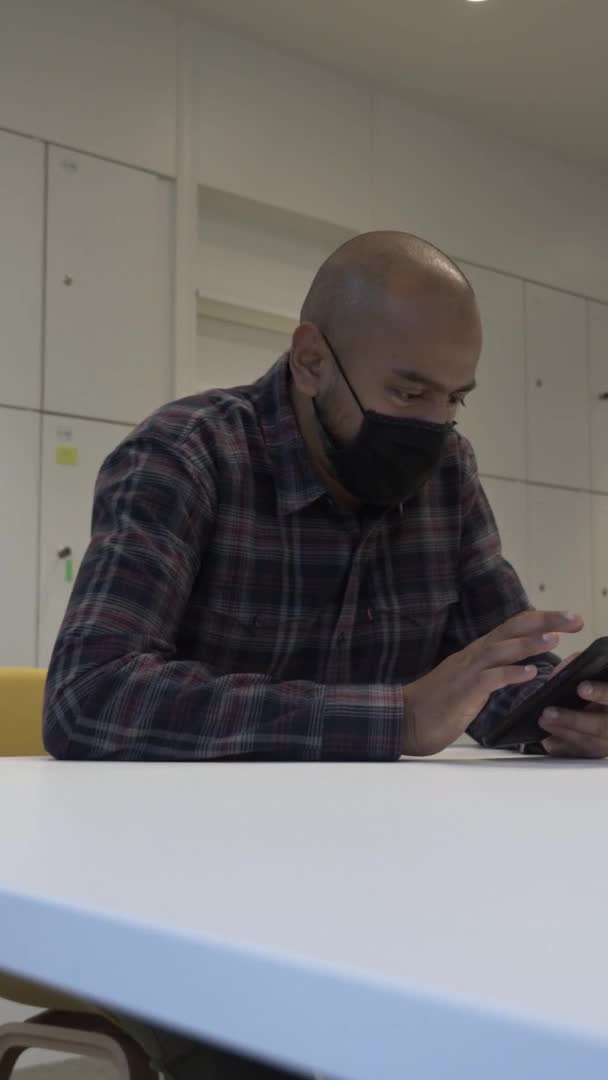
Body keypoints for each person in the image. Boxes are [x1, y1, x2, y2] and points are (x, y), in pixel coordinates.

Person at [42, 231, 608, 1077]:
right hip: (183, 890)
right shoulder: (186, 455)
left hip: (379, 875)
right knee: (307, 1048)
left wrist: (565, 716)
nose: (432, 426)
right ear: (311, 358)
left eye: (453, 398)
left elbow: (492, 678)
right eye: (408, 390)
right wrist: (396, 716)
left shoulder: (447, 474)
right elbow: (90, 695)